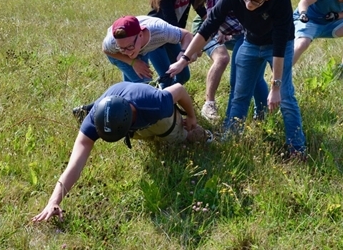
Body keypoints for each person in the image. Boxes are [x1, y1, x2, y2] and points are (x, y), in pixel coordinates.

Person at [168, 0, 306, 157]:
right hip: (250, 42)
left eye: (255, 1)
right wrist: (184, 59)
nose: (248, 4)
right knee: (239, 95)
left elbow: (280, 44)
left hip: (277, 46)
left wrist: (275, 87)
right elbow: (208, 26)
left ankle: (297, 149)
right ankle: (231, 140)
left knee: (286, 97)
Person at [32, 82, 211, 222]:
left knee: (178, 138)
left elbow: (179, 90)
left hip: (156, 117)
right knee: (146, 136)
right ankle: (136, 130)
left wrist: (192, 116)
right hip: (126, 112)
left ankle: (207, 135)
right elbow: (75, 164)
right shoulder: (95, 119)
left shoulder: (155, 103)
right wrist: (53, 201)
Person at [182, 0, 268, 122]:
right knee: (255, 78)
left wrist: (191, 53)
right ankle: (262, 118)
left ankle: (231, 127)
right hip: (258, 33)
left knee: (238, 84)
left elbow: (208, 31)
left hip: (247, 36)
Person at [147, 0, 206, 83]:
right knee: (168, 77)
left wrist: (217, 26)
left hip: (172, 34)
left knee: (183, 75)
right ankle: (164, 99)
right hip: (155, 37)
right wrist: (191, 48)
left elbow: (200, 9)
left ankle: (160, 91)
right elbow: (171, 22)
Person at [103, 15, 194, 87]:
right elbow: (106, 50)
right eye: (122, 48)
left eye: (130, 46)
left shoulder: (161, 30)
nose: (127, 52)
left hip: (148, 47)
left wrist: (183, 55)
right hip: (118, 55)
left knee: (183, 76)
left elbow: (187, 35)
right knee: (144, 85)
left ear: (141, 35)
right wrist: (133, 62)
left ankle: (165, 96)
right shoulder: (112, 42)